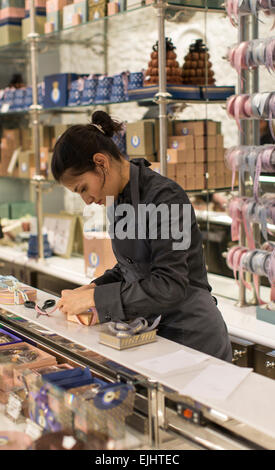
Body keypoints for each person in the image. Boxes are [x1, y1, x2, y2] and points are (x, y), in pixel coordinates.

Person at [52, 111, 232, 362]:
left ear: (101, 162)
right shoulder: (116, 200)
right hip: (152, 336)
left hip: (193, 339)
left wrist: (95, 298)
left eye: (83, 188)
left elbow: (169, 285)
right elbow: (132, 268)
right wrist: (94, 287)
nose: (88, 200)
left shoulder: (167, 199)